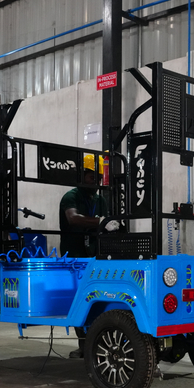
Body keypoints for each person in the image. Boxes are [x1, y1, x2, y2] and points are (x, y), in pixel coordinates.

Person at [58, 153, 109, 359]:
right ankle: (84, 345)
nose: (96, 182)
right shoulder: (71, 197)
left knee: (97, 299)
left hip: (95, 256)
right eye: (92, 177)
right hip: (75, 257)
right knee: (79, 299)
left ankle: (96, 342)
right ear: (82, 175)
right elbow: (73, 219)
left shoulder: (100, 200)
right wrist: (101, 222)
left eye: (99, 178)